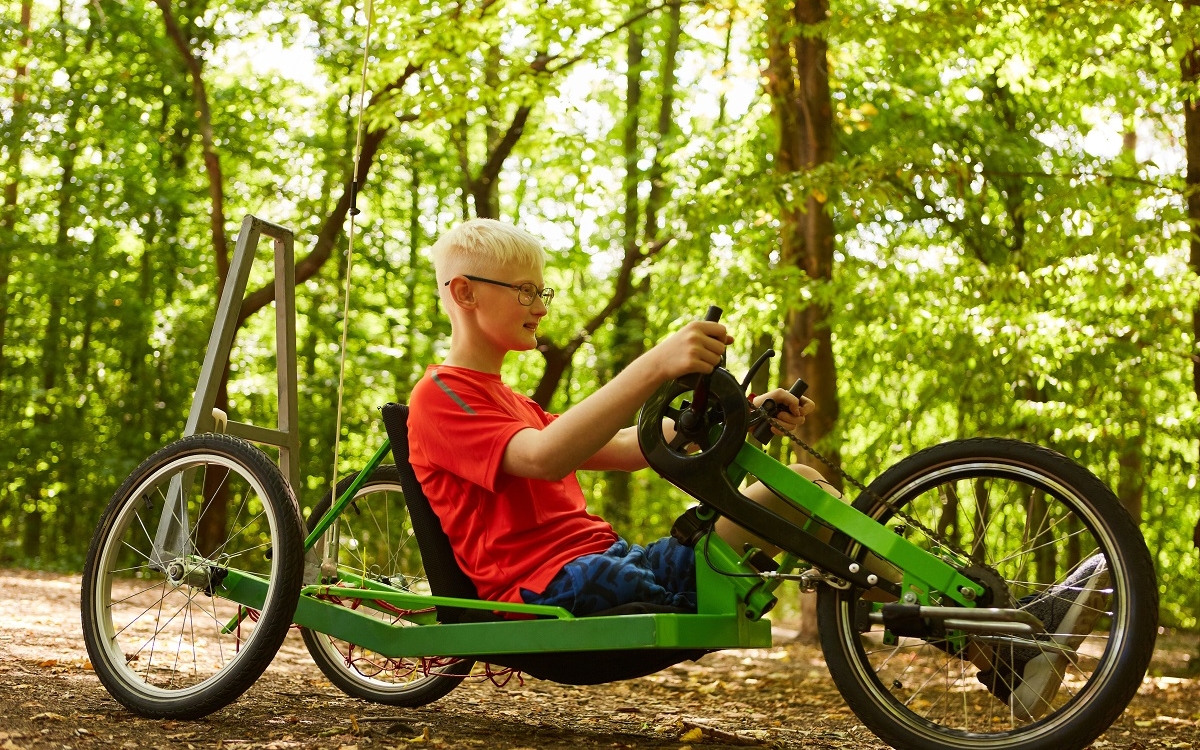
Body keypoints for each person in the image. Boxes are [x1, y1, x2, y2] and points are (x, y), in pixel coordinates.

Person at [407, 218, 832, 616]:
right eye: (525, 291)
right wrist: (656, 365)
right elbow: (542, 458)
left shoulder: (519, 406)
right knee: (627, 578)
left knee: (802, 488)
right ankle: (698, 595)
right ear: (465, 293)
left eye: (541, 293)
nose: (541, 308)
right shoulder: (440, 398)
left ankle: (895, 604)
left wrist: (739, 412)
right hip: (547, 586)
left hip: (615, 561)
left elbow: (631, 445)